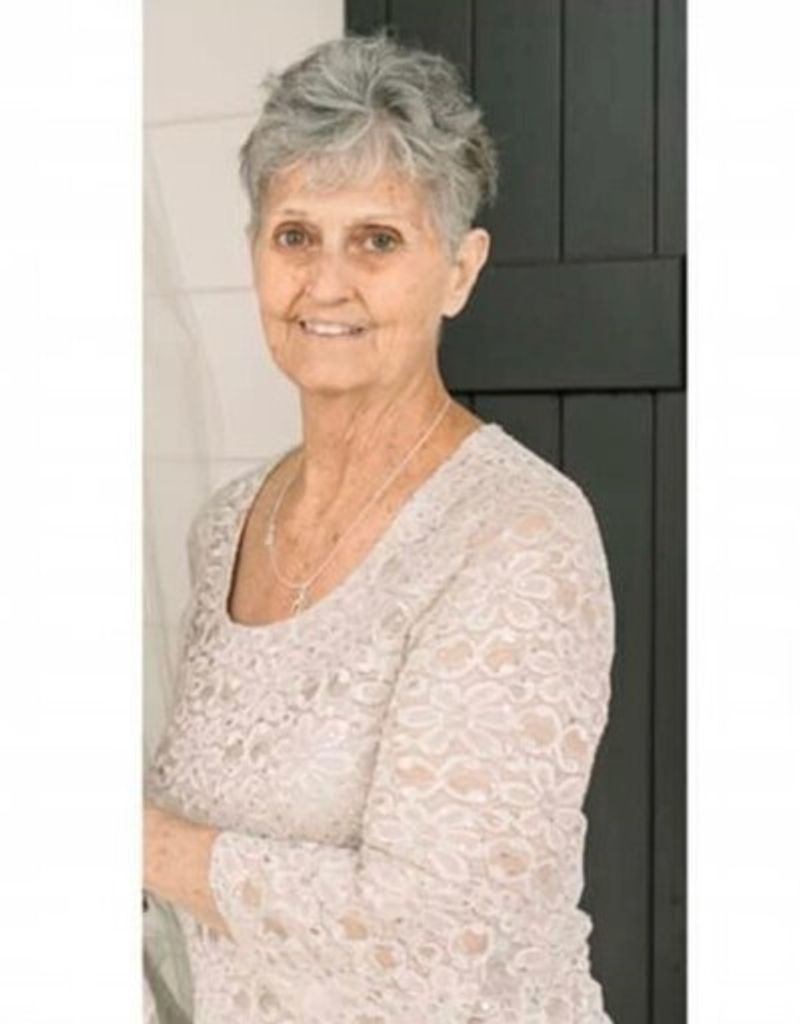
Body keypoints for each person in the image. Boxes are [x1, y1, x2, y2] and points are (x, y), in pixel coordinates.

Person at [143, 28, 616, 1024]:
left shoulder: (519, 537)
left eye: (378, 240)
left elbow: (428, 946)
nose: (326, 283)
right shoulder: (225, 529)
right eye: (295, 236)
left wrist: (132, 842)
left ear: (459, 269)